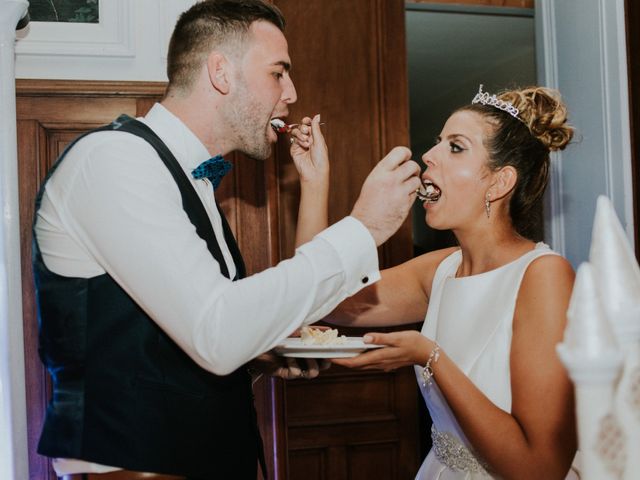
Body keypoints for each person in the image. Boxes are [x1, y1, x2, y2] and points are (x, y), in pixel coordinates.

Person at [32, 1, 421, 479]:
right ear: (221, 72)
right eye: (279, 72)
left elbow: (174, 339)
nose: (292, 94)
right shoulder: (113, 162)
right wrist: (364, 227)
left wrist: (260, 354)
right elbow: (215, 332)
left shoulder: (188, 181)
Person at [326, 85, 579, 479]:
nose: (428, 155)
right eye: (437, 142)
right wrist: (315, 184)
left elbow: (540, 469)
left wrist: (429, 356)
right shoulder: (441, 268)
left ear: (499, 182)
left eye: (455, 147)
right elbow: (325, 298)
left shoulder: (544, 275)